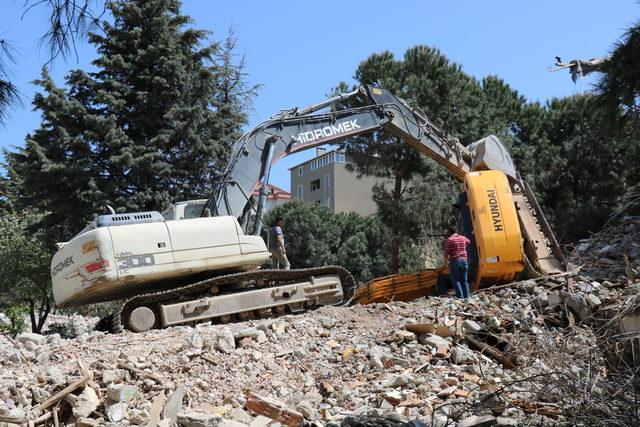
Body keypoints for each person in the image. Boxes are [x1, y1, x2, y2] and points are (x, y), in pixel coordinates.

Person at [444, 226, 471, 298]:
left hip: (455, 261)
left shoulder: (450, 240)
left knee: (456, 280)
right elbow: (468, 242)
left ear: (449, 232)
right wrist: (463, 248)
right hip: (464, 260)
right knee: (464, 280)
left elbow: (446, 252)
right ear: (456, 231)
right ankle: (467, 297)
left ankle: (460, 297)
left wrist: (446, 261)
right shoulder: (463, 237)